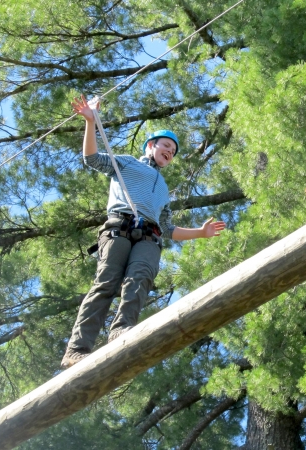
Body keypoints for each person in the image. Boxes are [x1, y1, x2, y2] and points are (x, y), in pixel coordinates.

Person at [61, 95, 226, 369]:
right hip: (119, 227)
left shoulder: (163, 189)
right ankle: (76, 350)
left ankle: (121, 331)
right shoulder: (126, 163)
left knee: (140, 279)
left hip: (149, 236)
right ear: (151, 146)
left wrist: (200, 232)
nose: (170, 152)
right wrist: (91, 123)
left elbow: (169, 229)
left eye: (173, 151)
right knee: (106, 283)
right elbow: (91, 158)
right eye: (166, 146)